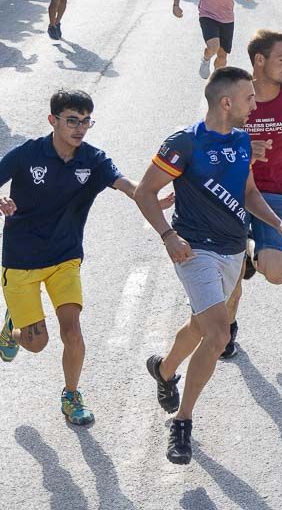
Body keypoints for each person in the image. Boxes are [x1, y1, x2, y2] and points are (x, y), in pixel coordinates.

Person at [134, 67, 282, 465]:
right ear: (227, 102)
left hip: (231, 249)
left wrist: (277, 224)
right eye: (249, 99)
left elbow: (248, 192)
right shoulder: (185, 143)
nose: (254, 105)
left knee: (200, 326)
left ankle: (165, 368)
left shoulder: (242, 141)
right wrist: (169, 236)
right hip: (195, 251)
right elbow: (145, 192)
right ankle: (182, 422)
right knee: (219, 334)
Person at [0, 90, 172, 424]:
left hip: (64, 257)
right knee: (36, 343)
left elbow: (127, 185)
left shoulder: (92, 159)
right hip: (21, 260)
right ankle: (12, 329)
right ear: (53, 121)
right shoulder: (27, 154)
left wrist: (148, 197)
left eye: (86, 121)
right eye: (72, 121)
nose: (80, 128)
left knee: (73, 330)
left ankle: (71, 396)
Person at [221, 30, 282, 360]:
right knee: (231, 272)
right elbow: (209, 143)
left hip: (274, 193)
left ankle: (253, 255)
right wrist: (244, 149)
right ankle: (226, 331)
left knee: (276, 272)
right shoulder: (233, 95)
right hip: (232, 191)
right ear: (259, 61)